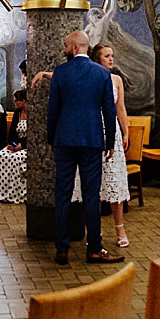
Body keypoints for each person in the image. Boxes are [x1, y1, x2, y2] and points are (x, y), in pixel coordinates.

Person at [48, 30, 122, 265]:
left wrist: (51, 139)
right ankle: (94, 249)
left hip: (65, 140)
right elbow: (108, 111)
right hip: (92, 140)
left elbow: (53, 110)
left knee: (62, 194)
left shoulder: (60, 72)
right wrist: (110, 142)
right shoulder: (102, 73)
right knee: (92, 196)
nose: (64, 49)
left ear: (74, 47)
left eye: (65, 45)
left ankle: (62, 249)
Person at [72, 44, 131, 248]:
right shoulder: (89, 77)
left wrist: (125, 132)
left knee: (114, 180)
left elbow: (120, 107)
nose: (111, 59)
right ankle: (94, 231)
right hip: (92, 130)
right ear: (97, 59)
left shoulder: (116, 80)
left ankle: (120, 228)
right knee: (92, 184)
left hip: (111, 132)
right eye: (107, 56)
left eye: (112, 55)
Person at [0, 89, 28, 203]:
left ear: (23, 101)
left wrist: (21, 145)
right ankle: (3, 192)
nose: (15, 103)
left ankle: (15, 193)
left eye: (16, 101)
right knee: (3, 156)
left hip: (26, 146)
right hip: (16, 144)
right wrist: (12, 144)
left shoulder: (33, 114)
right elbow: (13, 132)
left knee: (16, 158)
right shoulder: (17, 114)